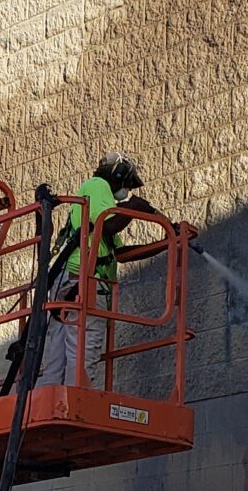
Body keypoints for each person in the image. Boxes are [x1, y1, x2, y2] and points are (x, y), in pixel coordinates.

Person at [39, 154, 160, 389]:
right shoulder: (98, 186)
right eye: (126, 185)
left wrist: (166, 244)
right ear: (117, 175)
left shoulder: (99, 207)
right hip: (83, 280)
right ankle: (77, 402)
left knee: (59, 353)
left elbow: (121, 254)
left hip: (69, 280)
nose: (126, 191)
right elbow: (110, 223)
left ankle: (51, 400)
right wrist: (134, 207)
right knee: (84, 347)